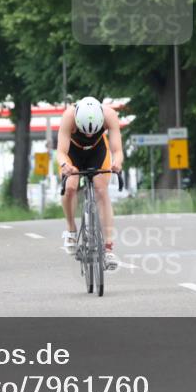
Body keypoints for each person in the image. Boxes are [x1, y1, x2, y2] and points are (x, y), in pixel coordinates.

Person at [54, 96, 123, 270]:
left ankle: (108, 248)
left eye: (93, 131)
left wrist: (117, 163)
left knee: (101, 190)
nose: (89, 135)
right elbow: (61, 151)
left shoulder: (110, 115)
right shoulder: (68, 116)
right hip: (72, 152)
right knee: (70, 187)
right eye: (84, 131)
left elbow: (117, 150)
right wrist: (65, 165)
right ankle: (71, 229)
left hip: (97, 151)